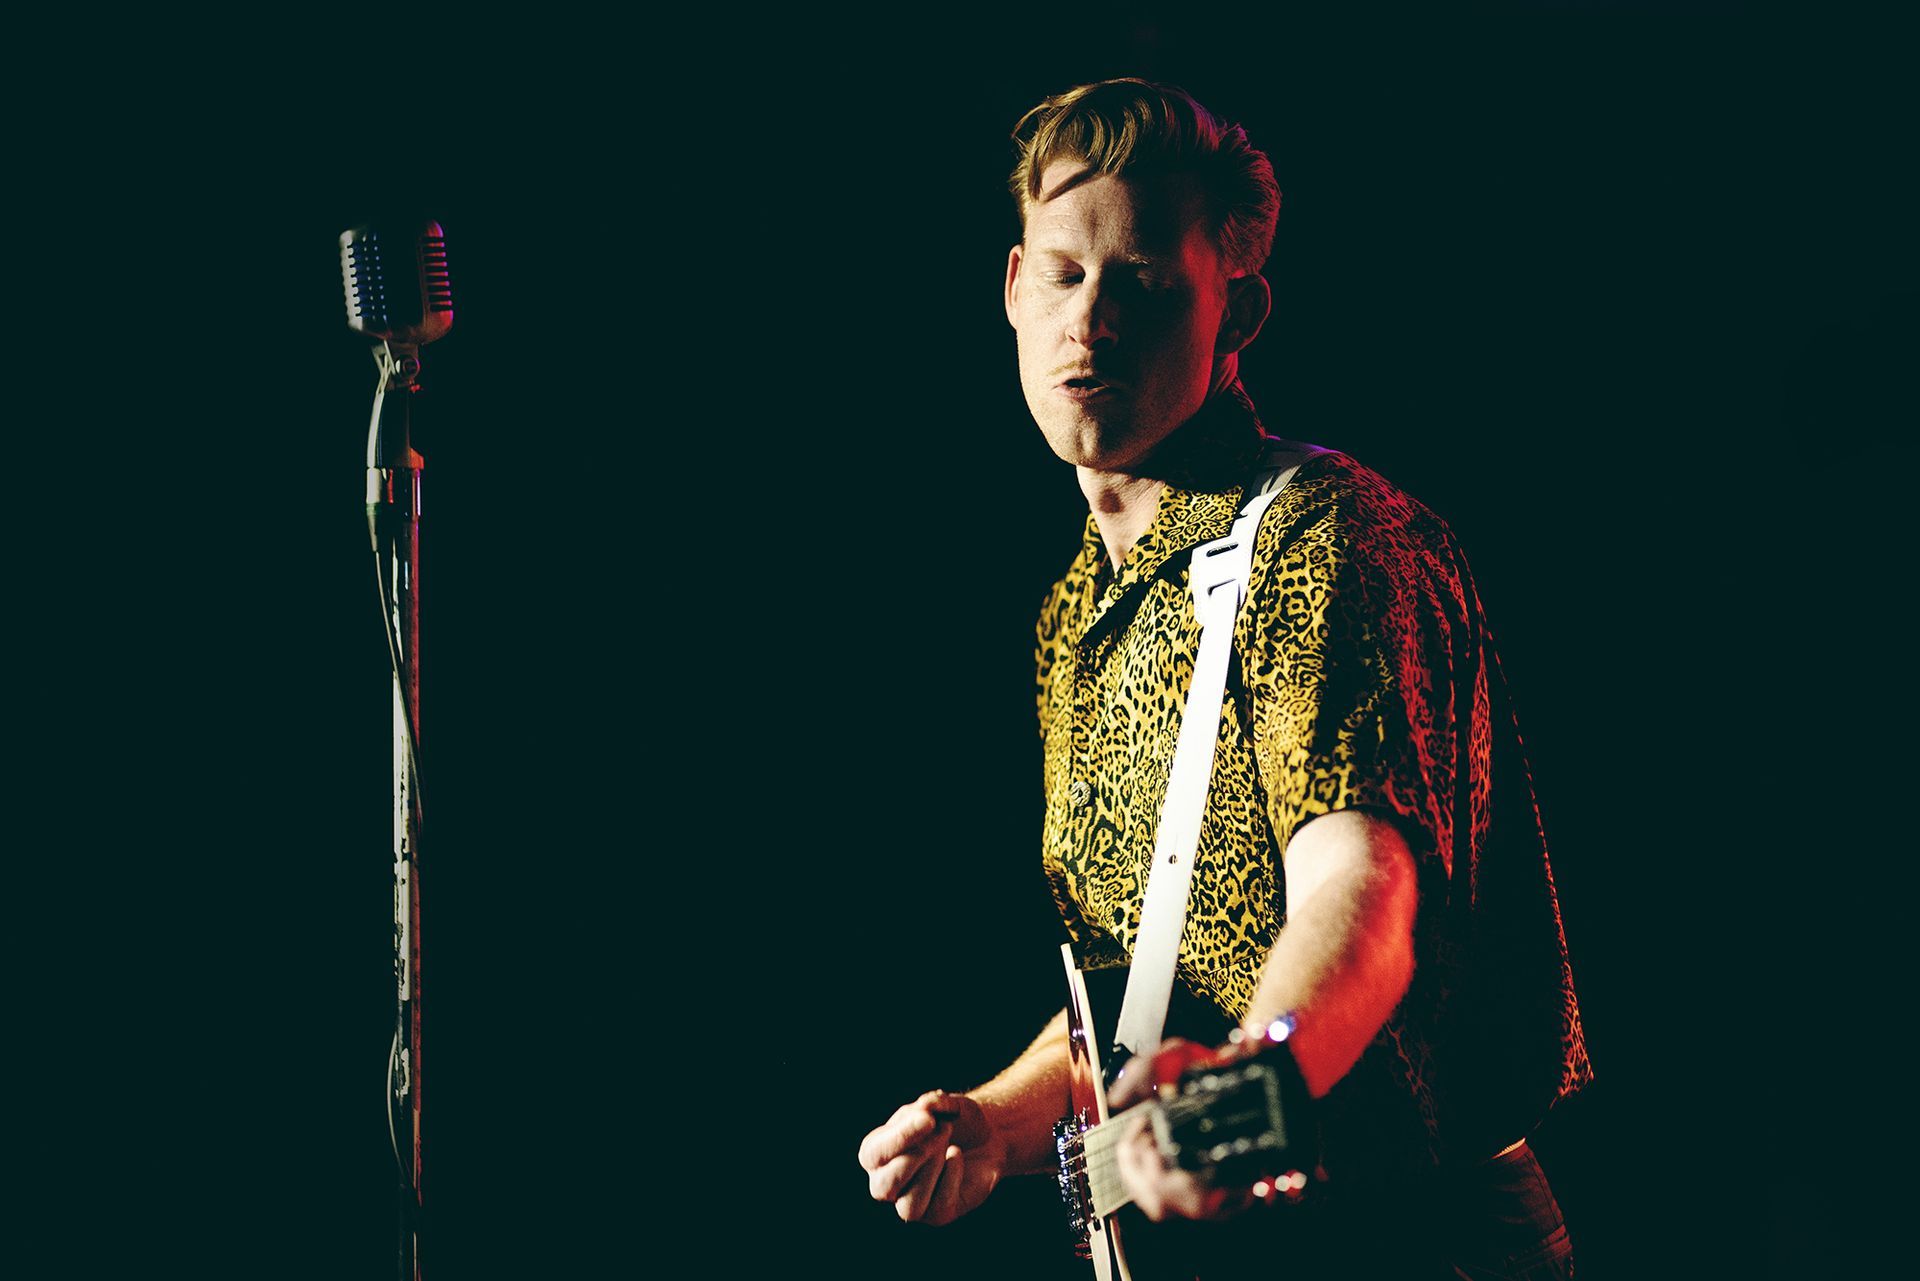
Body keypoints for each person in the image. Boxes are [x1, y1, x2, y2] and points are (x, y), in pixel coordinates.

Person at [858, 79, 1592, 1278]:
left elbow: (1362, 889)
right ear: (1011, 290)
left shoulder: (1327, 539)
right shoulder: (1075, 613)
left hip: (1408, 1236)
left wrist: (1251, 1084)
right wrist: (998, 1122)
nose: (1090, 323)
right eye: (1063, 274)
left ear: (1237, 309)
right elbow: (1152, 987)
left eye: (1141, 281)